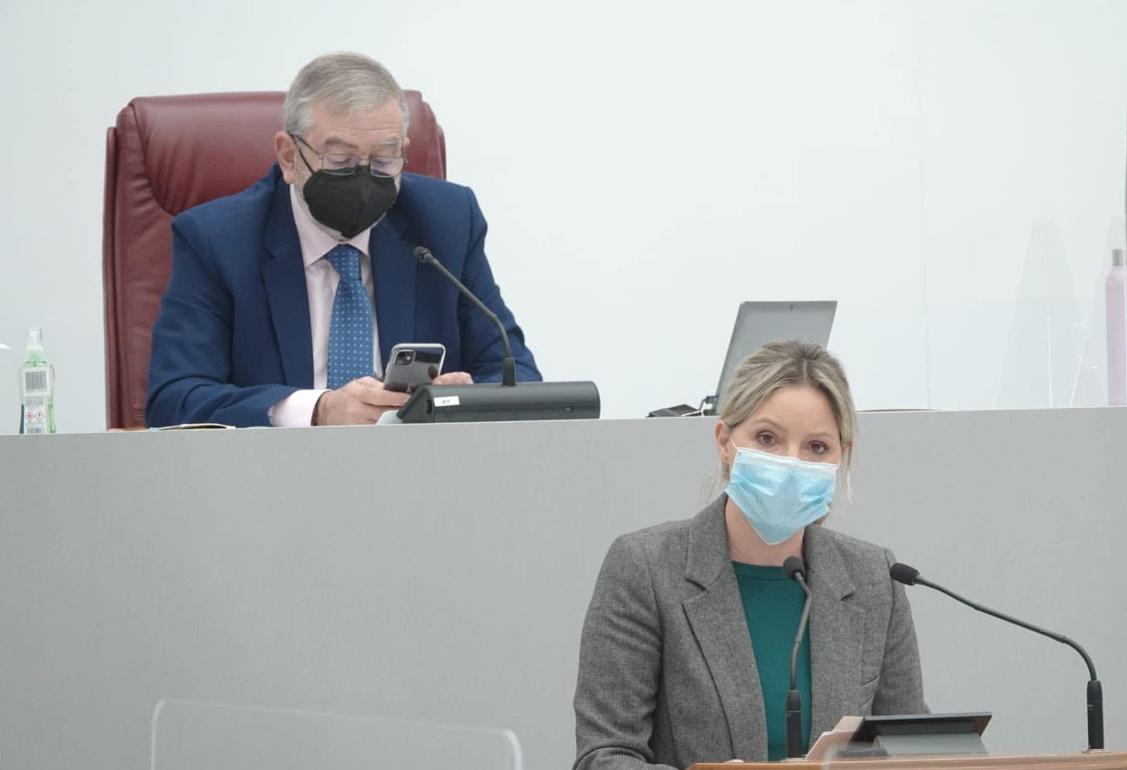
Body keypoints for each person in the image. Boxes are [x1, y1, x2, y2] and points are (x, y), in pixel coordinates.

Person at [573, 341, 925, 769]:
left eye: (816, 447)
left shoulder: (875, 579)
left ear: (841, 458)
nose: (790, 462)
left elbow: (912, 751)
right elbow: (604, 756)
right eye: (767, 439)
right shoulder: (646, 568)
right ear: (724, 441)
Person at [146, 52, 540, 428]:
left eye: (383, 161)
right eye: (340, 161)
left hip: (418, 476)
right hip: (272, 478)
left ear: (403, 151)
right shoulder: (218, 240)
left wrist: (460, 401)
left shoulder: (446, 223)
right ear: (288, 156)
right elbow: (176, 400)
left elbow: (515, 374)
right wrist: (319, 410)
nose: (364, 179)